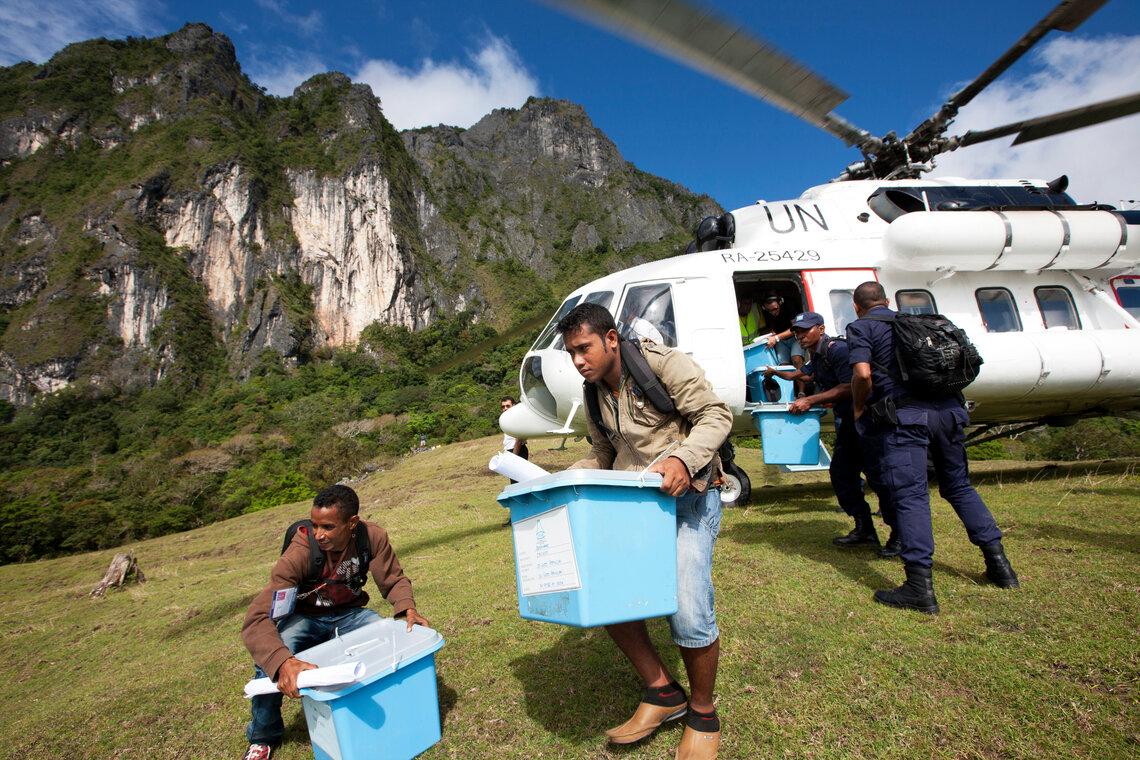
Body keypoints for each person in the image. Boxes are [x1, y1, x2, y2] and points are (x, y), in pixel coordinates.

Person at [557, 302, 733, 760]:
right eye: (571, 352)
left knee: (688, 604)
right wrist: (551, 479)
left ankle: (702, 712)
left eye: (584, 348)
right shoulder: (594, 392)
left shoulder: (663, 364)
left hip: (691, 499)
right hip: (633, 509)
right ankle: (662, 692)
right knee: (607, 592)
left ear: (611, 339)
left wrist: (682, 459)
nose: (578, 360)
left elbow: (716, 415)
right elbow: (602, 456)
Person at [847, 282, 1019, 614]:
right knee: (959, 487)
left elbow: (863, 374)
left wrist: (858, 406)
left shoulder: (862, 327)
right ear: (886, 300)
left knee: (911, 497)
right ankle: (1000, 565)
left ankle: (918, 587)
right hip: (951, 413)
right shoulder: (921, 322)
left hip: (908, 419)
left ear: (858, 306)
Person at [240, 485, 430, 760]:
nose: (319, 534)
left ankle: (382, 710)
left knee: (386, 637)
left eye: (328, 527)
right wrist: (282, 662)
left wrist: (406, 607)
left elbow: (393, 578)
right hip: (304, 618)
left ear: (351, 523)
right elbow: (257, 617)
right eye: (315, 525)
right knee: (268, 661)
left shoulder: (372, 537)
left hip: (350, 615)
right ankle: (262, 736)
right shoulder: (301, 550)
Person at [763, 311, 896, 553]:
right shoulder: (817, 355)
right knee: (842, 474)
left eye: (805, 330)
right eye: (796, 332)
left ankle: (899, 534)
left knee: (879, 477)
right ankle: (865, 528)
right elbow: (800, 374)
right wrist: (774, 372)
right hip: (848, 422)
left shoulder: (838, 350)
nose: (800, 336)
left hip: (866, 420)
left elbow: (849, 385)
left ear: (821, 329)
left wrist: (810, 400)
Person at [758, 294, 807, 390]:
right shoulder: (767, 313)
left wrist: (776, 337)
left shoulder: (789, 306)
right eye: (769, 310)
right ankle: (788, 393)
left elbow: (795, 328)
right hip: (780, 340)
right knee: (783, 366)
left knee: (796, 359)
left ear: (780, 303)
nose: (772, 312)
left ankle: (802, 392)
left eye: (775, 309)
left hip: (795, 337)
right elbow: (769, 328)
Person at [499, 396, 530, 525]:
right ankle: (519, 516)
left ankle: (518, 517)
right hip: (511, 452)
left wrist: (514, 457)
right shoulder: (508, 420)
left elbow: (518, 439)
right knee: (516, 485)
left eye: (508, 406)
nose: (505, 408)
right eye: (503, 406)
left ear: (514, 406)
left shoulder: (516, 420)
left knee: (517, 486)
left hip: (517, 451)